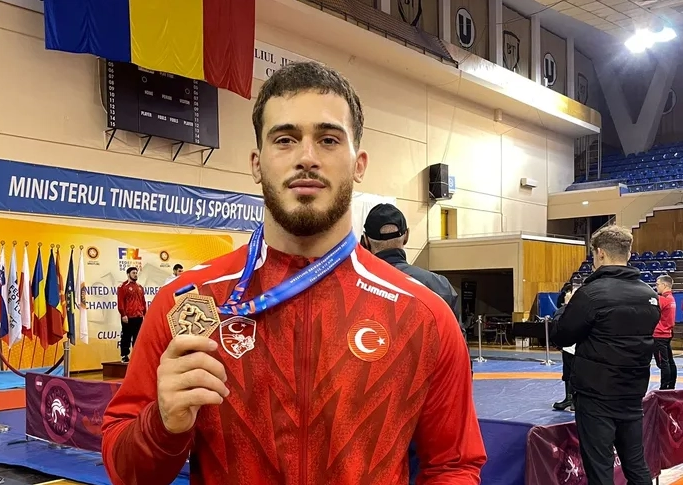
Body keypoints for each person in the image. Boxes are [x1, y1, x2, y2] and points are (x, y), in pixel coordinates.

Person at [102, 61, 486, 485]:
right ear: (256, 163)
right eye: (285, 139)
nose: (307, 158)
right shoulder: (188, 303)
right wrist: (162, 425)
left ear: (358, 164)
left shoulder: (423, 316)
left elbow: (453, 466)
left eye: (328, 139)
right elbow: (125, 471)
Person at [361, 203, 466, 485]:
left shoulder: (351, 288)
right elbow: (457, 358)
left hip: (371, 414)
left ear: (366, 240)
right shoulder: (439, 286)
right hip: (428, 406)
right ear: (406, 236)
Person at [551, 225, 660, 485]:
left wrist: (566, 307)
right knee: (636, 464)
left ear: (599, 253)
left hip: (596, 395)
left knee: (600, 469)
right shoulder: (649, 294)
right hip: (632, 391)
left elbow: (561, 336)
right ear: (628, 254)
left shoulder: (592, 294)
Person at [551, 283, 575, 412]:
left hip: (576, 346)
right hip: (570, 346)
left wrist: (566, 305)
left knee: (575, 373)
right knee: (568, 373)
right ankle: (570, 398)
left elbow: (560, 321)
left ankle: (574, 400)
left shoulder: (576, 307)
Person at [116, 266, 147, 363]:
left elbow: (143, 302)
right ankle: (124, 355)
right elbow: (120, 302)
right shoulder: (122, 286)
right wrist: (123, 314)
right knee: (126, 337)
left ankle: (136, 356)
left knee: (138, 337)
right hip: (128, 317)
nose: (135, 274)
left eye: (136, 273)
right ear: (128, 274)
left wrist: (145, 314)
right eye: (133, 273)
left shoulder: (140, 287)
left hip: (138, 316)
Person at [653, 274, 677, 390]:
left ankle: (664, 388)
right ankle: (671, 386)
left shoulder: (662, 299)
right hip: (667, 333)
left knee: (663, 363)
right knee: (669, 361)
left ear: (664, 285)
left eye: (657, 284)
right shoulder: (671, 298)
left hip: (660, 334)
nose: (656, 287)